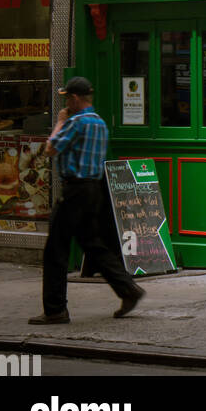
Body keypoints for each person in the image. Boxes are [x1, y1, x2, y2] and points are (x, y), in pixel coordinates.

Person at [29, 76, 144, 325]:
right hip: (93, 189)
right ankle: (128, 289)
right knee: (93, 245)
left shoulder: (75, 122)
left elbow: (50, 149)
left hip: (74, 190)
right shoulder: (99, 123)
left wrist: (59, 122)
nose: (66, 103)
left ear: (75, 98)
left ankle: (55, 309)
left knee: (56, 249)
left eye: (67, 98)